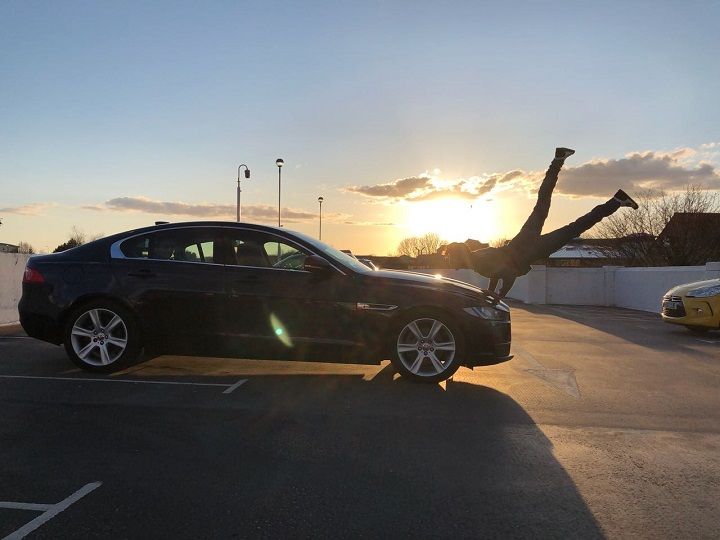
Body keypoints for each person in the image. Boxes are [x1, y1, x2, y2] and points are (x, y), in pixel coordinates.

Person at [443, 147, 638, 297]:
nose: (451, 263)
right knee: (542, 202)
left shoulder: (480, 265)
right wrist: (491, 290)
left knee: (576, 227)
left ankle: (616, 201)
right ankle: (558, 160)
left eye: (451, 259)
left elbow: (507, 274)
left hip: (533, 249)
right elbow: (498, 269)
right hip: (522, 240)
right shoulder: (477, 255)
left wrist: (499, 295)